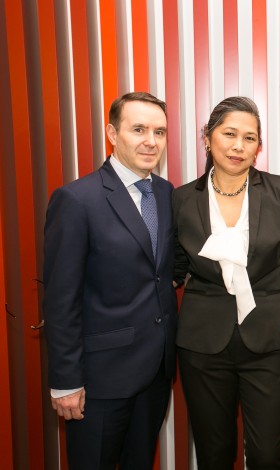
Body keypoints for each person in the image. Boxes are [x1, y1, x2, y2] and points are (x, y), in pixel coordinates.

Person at [172, 96, 280, 469]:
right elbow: (174, 269)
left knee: (266, 454)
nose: (238, 146)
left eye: (249, 138)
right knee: (214, 453)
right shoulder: (182, 199)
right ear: (207, 138)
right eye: (229, 134)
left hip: (268, 339)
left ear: (259, 147)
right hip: (202, 344)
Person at [43, 92, 177, 469]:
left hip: (156, 371)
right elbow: (61, 299)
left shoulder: (165, 193)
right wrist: (66, 381)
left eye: (159, 132)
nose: (151, 141)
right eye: (139, 129)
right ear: (113, 134)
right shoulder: (76, 199)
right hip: (100, 379)